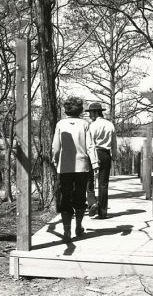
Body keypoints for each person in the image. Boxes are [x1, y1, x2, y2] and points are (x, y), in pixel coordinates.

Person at [52, 96, 91, 242]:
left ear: (66, 109)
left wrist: (55, 158)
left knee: (65, 197)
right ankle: (79, 226)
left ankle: (66, 229)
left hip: (65, 167)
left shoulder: (60, 124)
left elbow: (56, 146)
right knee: (80, 196)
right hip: (82, 166)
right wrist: (95, 163)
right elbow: (90, 146)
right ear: (80, 110)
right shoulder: (85, 124)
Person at [85, 102, 117, 219]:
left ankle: (92, 203)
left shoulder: (91, 126)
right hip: (106, 154)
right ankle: (103, 212)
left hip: (94, 153)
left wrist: (93, 161)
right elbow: (114, 142)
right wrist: (114, 156)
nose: (89, 116)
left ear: (95, 113)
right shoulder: (110, 125)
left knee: (90, 181)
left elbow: (90, 144)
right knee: (103, 184)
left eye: (90, 113)